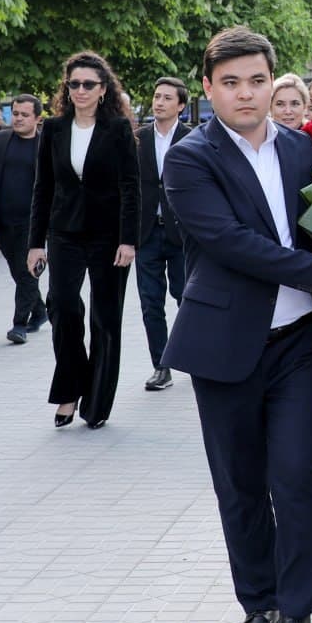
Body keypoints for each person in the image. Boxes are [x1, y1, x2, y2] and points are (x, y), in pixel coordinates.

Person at [161, 27, 312, 623]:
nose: (245, 93)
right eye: (230, 82)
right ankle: (257, 604)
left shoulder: (303, 149)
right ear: (207, 88)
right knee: (240, 484)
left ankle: (298, 613)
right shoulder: (190, 157)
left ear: (274, 82)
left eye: (257, 80)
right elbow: (229, 240)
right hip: (226, 345)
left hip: (301, 346)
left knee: (296, 478)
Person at [28, 51, 139, 430]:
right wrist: (35, 242)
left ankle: (96, 402)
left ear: (103, 89)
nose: (80, 90)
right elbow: (43, 188)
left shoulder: (119, 129)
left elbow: (131, 188)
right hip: (64, 232)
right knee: (62, 306)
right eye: (73, 84)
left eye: (88, 84)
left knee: (105, 319)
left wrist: (129, 240)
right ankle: (70, 387)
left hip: (109, 236)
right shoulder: (54, 128)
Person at [0, 95, 48, 344]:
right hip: (2, 218)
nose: (18, 119)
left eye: (25, 115)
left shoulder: (47, 146)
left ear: (37, 118)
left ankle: (19, 324)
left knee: (26, 272)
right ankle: (40, 311)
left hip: (33, 222)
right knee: (17, 270)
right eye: (15, 113)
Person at [135, 77, 191, 391]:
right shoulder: (138, 138)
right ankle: (161, 366)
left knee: (187, 298)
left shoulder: (192, 137)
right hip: (146, 234)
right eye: (157, 96)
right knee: (149, 303)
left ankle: (198, 358)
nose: (159, 102)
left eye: (167, 98)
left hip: (181, 234)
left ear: (180, 105)